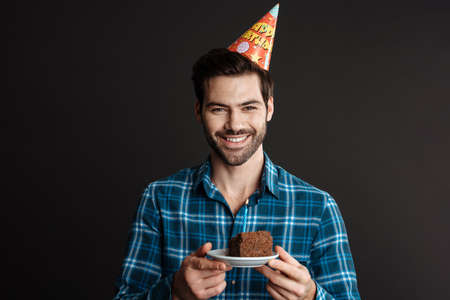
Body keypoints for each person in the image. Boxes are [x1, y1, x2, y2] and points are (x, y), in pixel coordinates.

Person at [113, 48, 361, 299]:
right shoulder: (159, 199)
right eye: (219, 109)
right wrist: (173, 291)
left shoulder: (318, 207)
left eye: (248, 107)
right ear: (199, 111)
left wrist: (311, 295)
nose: (234, 124)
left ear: (269, 108)